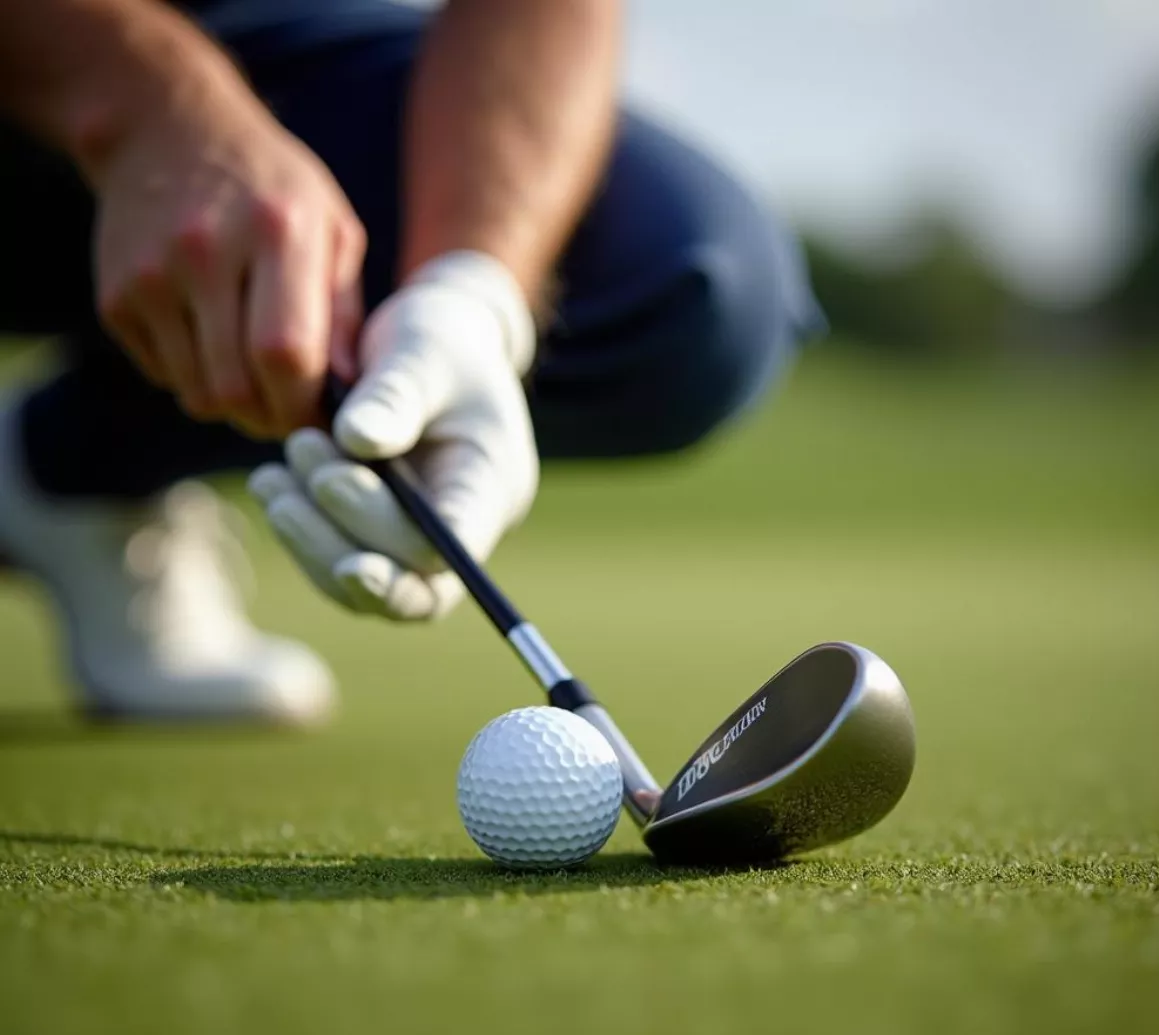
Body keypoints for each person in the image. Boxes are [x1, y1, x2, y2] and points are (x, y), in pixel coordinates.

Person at [0, 0, 821, 724]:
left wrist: (471, 296)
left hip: (241, 36)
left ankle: (62, 473)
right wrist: (146, 106)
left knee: (694, 284)